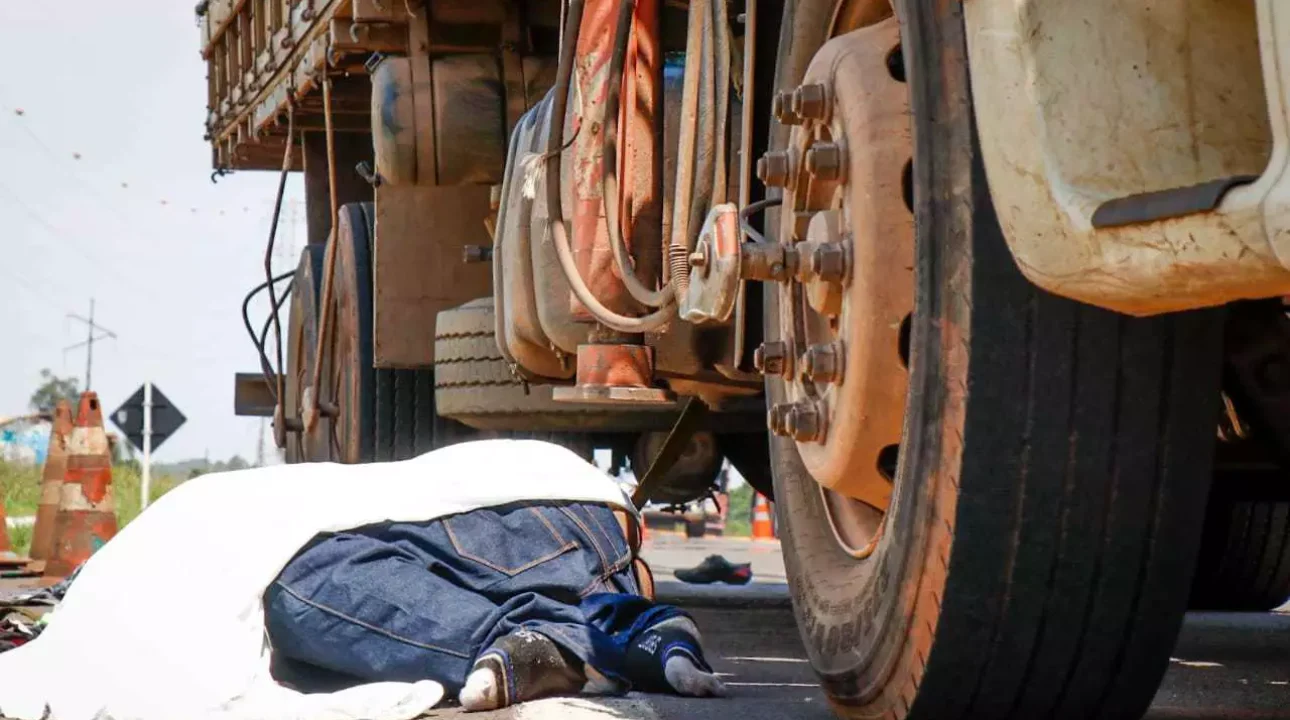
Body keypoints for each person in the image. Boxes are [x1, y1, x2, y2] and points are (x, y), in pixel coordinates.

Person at [264, 498, 728, 710]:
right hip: (581, 510)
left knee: (294, 582)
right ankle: (638, 629)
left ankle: (567, 644)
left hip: (515, 520)